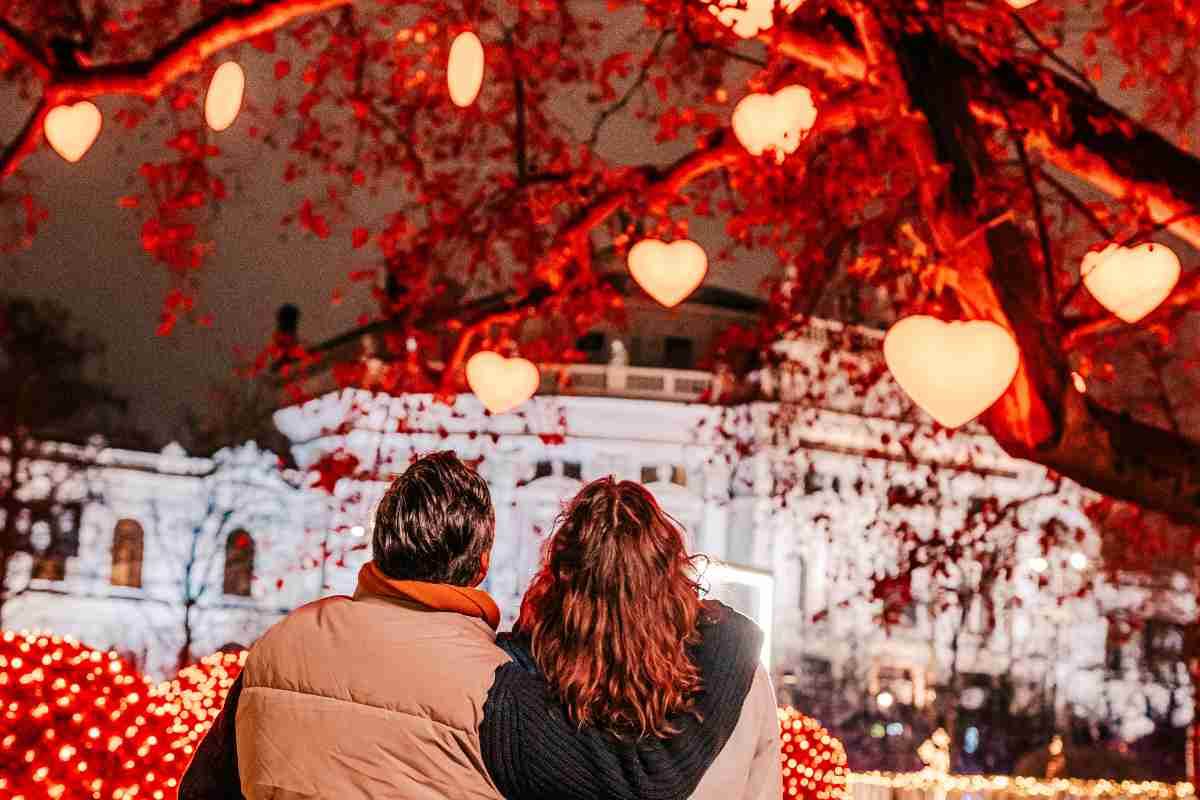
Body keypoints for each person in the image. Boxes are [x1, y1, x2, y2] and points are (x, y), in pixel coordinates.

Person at [182, 454, 773, 799]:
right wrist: (730, 636)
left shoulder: (279, 645)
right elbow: (639, 782)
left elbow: (202, 792)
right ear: (482, 562)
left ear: (379, 542)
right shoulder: (494, 688)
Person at [480, 477, 781, 800]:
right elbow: (762, 789)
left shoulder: (526, 694)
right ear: (670, 570)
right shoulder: (738, 671)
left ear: (564, 588)